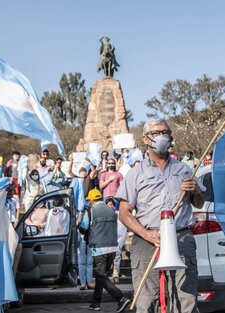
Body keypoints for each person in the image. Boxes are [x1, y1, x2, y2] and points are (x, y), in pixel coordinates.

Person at [117, 118, 205, 313]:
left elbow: (199, 203)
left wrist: (196, 190)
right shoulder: (135, 173)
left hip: (180, 236)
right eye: (156, 133)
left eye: (165, 133)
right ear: (146, 139)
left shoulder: (185, 169)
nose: (162, 137)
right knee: (147, 299)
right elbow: (124, 214)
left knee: (185, 297)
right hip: (147, 239)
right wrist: (146, 234)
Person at [86, 189, 131, 312]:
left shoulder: (91, 211)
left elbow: (83, 227)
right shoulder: (111, 210)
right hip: (112, 248)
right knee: (101, 277)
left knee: (101, 277)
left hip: (99, 248)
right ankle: (96, 303)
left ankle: (120, 298)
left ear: (91, 200)